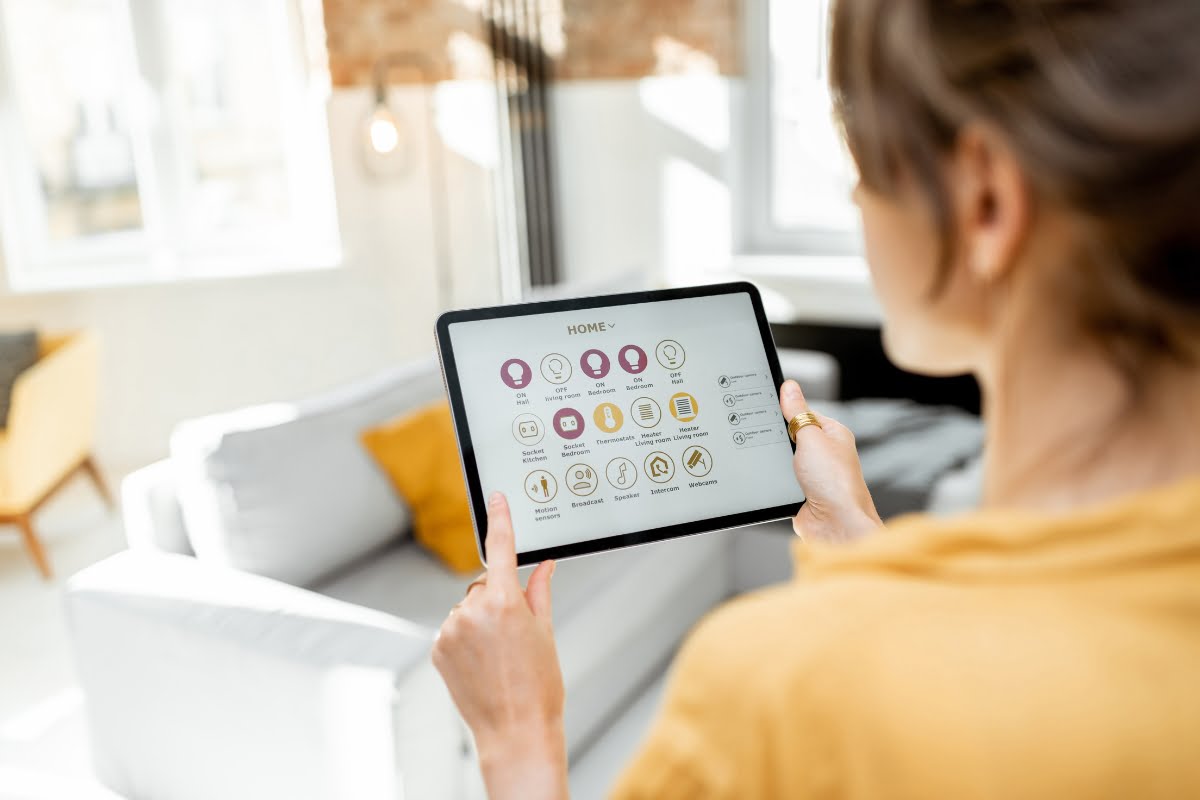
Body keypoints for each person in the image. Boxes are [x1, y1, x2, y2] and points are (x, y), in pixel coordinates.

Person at [432, 0, 1200, 796]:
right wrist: (856, 536)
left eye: (865, 161)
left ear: (986, 203)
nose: (859, 205)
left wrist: (515, 730)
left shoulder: (775, 690)